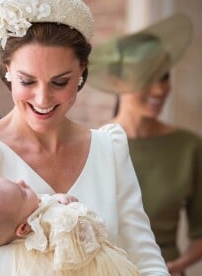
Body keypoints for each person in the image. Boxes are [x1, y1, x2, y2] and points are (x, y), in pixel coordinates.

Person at [0, 0, 170, 275]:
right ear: (7, 71)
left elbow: (146, 258)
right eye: (27, 81)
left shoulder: (109, 149)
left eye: (60, 82)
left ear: (81, 72)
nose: (42, 98)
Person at [88, 14, 202, 275]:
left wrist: (175, 266)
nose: (160, 90)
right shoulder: (94, 145)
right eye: (147, 77)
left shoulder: (189, 147)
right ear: (116, 81)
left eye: (163, 76)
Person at [0, 177, 140, 275]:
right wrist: (69, 210)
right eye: (22, 193)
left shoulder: (33, 211)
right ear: (23, 229)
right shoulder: (41, 233)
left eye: (14, 182)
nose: (22, 182)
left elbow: (51, 204)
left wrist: (60, 200)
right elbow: (79, 229)